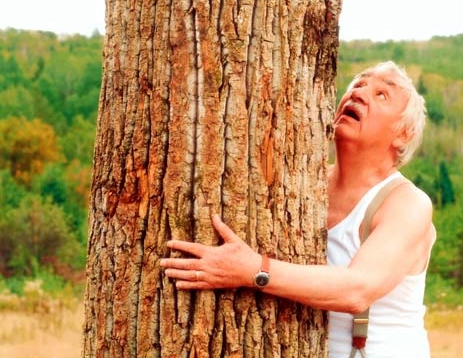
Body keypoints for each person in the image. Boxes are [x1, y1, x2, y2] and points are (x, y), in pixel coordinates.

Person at [160, 61, 436, 357]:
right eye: (359, 84)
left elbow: (359, 289)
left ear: (403, 134)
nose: (360, 93)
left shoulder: (407, 203)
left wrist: (252, 269)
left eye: (382, 94)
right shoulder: (305, 187)